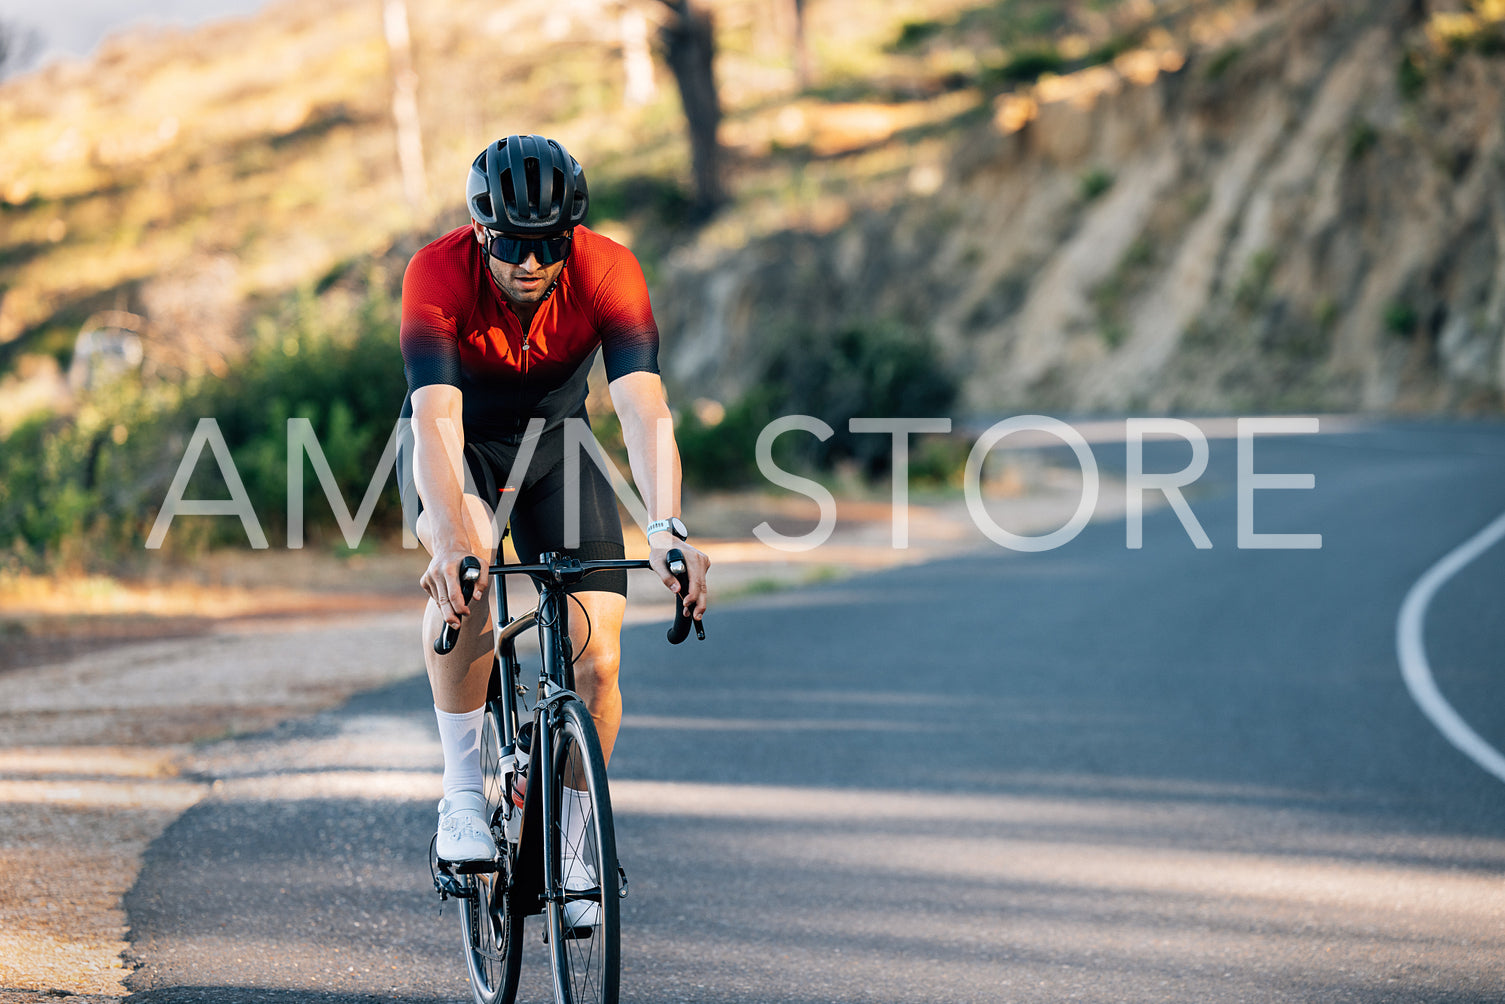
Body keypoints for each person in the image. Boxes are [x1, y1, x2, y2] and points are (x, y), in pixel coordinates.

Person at [396, 135, 710, 887]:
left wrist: (668, 529)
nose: (530, 263)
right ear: (479, 230)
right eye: (511, 245)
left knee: (599, 659)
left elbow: (641, 405)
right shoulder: (436, 273)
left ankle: (572, 845)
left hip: (556, 449)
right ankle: (464, 799)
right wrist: (446, 540)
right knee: (466, 567)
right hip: (457, 445)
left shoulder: (608, 269)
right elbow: (435, 416)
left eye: (548, 245)